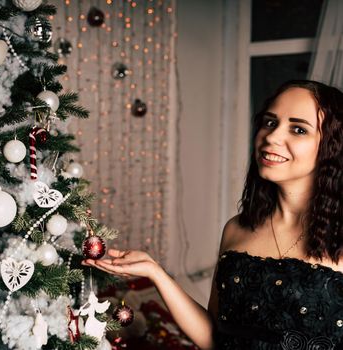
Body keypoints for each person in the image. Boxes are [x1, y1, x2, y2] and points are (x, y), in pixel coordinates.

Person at [83, 80, 343, 349]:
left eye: (298, 129)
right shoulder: (237, 229)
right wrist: (156, 273)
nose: (272, 137)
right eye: (269, 122)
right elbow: (214, 337)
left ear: (332, 147)